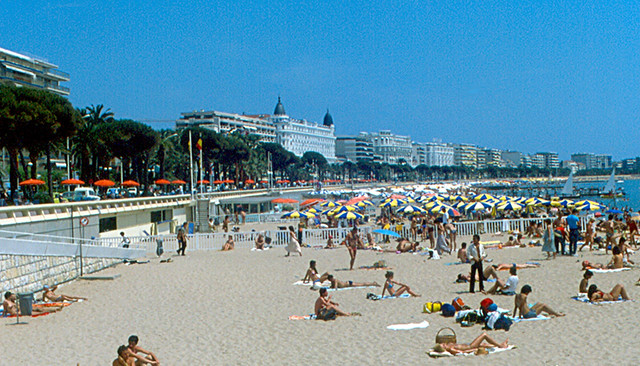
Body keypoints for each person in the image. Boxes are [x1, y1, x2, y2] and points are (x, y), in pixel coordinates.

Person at [433, 332, 509, 355]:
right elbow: (462, 352)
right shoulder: (450, 348)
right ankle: (501, 346)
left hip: (469, 345)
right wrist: (474, 349)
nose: (443, 344)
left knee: (484, 344)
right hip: (470, 346)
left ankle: (499, 345)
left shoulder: (449, 345)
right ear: (443, 348)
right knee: (484, 335)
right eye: (442, 345)